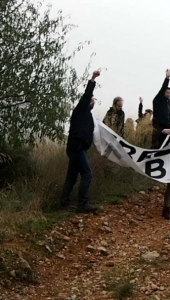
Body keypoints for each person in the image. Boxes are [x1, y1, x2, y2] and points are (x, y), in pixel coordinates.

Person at [60, 70, 101, 214]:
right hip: (77, 147)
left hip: (76, 147)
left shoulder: (87, 115)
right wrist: (93, 79)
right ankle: (83, 204)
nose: (93, 101)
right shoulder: (81, 109)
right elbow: (87, 95)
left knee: (72, 176)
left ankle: (64, 202)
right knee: (87, 174)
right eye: (92, 100)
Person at [152, 69, 170, 149]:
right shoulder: (158, 99)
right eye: (167, 92)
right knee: (156, 147)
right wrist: (167, 79)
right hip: (158, 128)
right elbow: (163, 88)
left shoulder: (168, 104)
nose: (169, 94)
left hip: (167, 129)